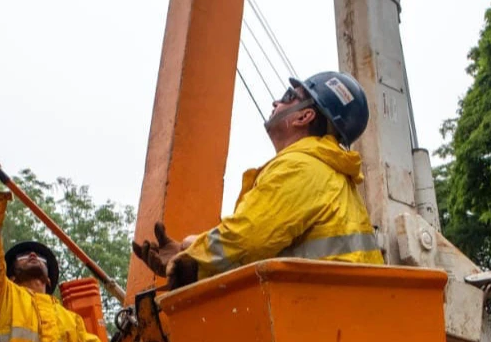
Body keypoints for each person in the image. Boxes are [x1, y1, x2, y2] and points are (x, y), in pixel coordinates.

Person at [133, 71, 383, 288]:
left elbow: (248, 237)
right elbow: (259, 238)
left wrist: (189, 263)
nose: (276, 101)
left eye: (288, 96)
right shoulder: (325, 174)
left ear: (303, 117)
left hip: (318, 318)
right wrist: (188, 251)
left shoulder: (301, 168)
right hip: (335, 315)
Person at [0, 147, 103, 342]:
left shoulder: (72, 322)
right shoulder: (0, 296)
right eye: (23, 255)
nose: (32, 254)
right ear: (10, 274)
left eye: (40, 256)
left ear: (49, 280)